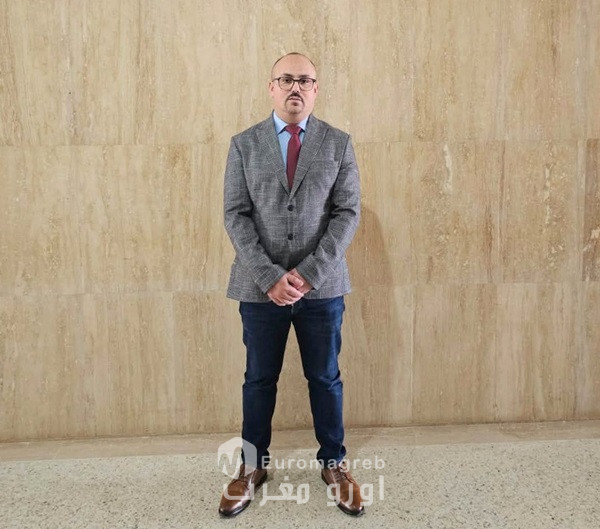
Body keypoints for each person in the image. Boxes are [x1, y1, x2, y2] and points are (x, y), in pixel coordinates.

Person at [219, 52, 363, 517]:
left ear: (316, 89)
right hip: (260, 290)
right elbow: (236, 215)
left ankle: (335, 466)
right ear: (271, 87)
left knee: (325, 378)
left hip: (322, 289)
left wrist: (308, 274)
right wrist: (269, 277)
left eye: (305, 80)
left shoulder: (338, 144)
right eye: (286, 79)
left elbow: (347, 214)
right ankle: (251, 467)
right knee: (258, 380)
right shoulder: (244, 145)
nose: (295, 87)